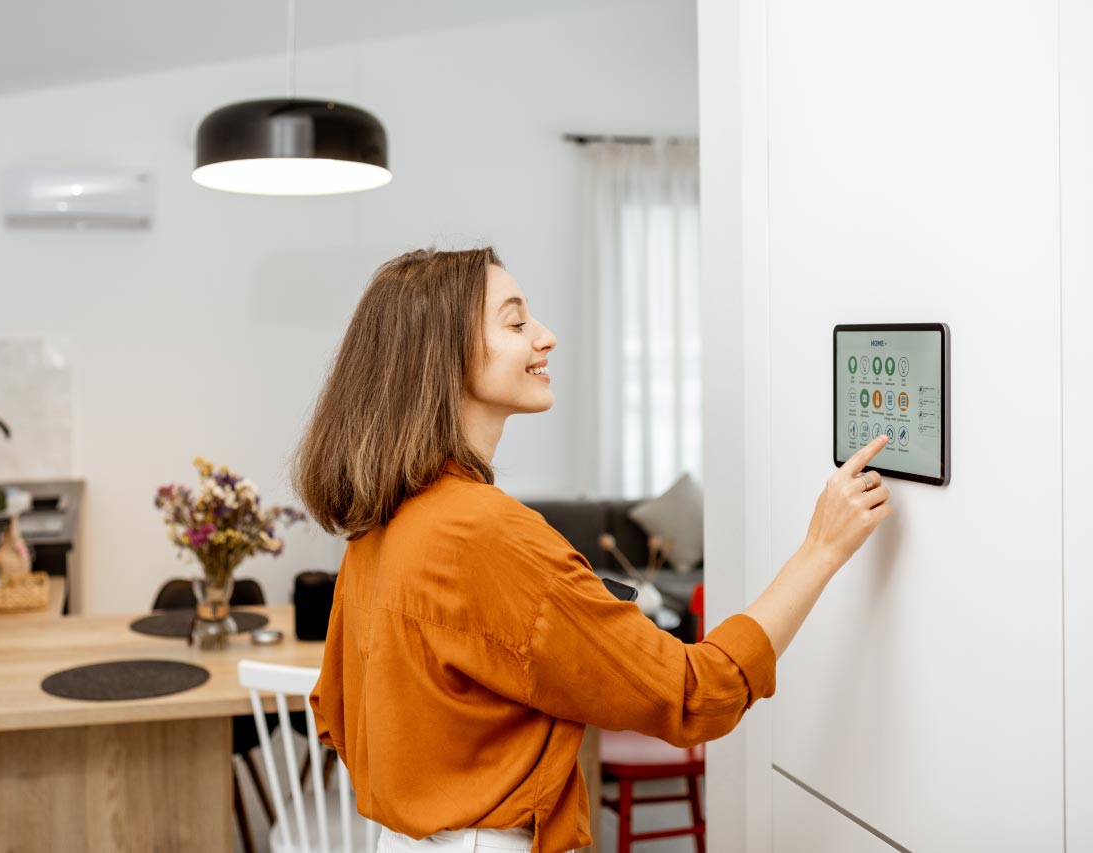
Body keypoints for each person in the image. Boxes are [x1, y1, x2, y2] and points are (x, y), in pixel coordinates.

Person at [296, 247, 892, 853]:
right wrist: (820, 550)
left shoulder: (381, 520)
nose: (546, 337)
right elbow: (694, 694)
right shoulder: (485, 531)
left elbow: (337, 713)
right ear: (443, 356)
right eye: (516, 321)